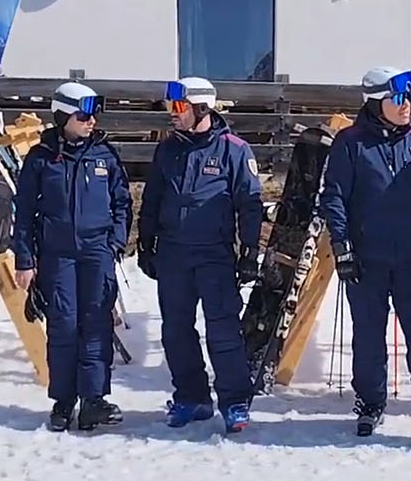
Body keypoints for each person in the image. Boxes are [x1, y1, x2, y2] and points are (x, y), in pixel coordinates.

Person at [319, 67, 411, 443]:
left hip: (410, 256)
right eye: (397, 99)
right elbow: (333, 197)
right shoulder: (350, 143)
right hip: (366, 257)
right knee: (369, 335)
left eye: (408, 98)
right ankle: (370, 403)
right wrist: (342, 246)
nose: (406, 106)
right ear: (374, 103)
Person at [138, 77, 263, 433]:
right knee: (176, 331)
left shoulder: (233, 150)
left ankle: (235, 402)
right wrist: (146, 243)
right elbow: (152, 199)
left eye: (179, 107)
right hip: (173, 255)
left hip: (214, 256)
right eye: (170, 106)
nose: (172, 113)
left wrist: (250, 250)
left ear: (202, 108)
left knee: (223, 330)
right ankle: (192, 398)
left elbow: (249, 204)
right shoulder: (167, 150)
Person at [13, 82, 132, 433]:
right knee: (63, 325)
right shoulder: (41, 158)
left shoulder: (105, 155)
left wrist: (115, 242)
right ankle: (63, 401)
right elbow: (24, 213)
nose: (91, 121)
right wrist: (24, 259)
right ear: (63, 117)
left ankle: (94, 400)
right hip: (57, 254)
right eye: (83, 115)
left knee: (96, 323)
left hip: (97, 252)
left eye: (94, 115)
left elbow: (122, 202)